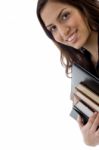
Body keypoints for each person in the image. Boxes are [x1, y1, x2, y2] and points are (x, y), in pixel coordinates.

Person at [36, 0, 99, 146]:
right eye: (52, 28)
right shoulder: (84, 65)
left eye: (65, 16)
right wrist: (90, 138)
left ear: (83, 6)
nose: (63, 32)